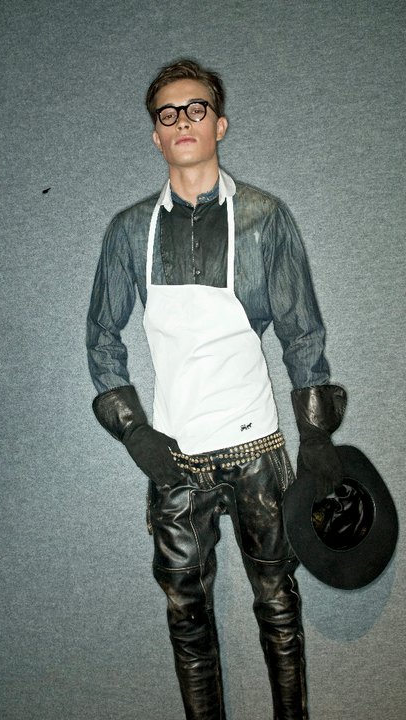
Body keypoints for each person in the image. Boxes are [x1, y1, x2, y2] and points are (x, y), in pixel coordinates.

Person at [86, 59, 346, 720]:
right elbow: (101, 335)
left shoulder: (265, 218)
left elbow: (302, 331)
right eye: (168, 113)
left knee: (279, 605)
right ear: (156, 134)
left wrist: (316, 435)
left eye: (196, 108)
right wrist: (133, 430)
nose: (183, 121)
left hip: (258, 447)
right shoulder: (129, 231)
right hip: (175, 457)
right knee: (186, 612)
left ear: (219, 124)